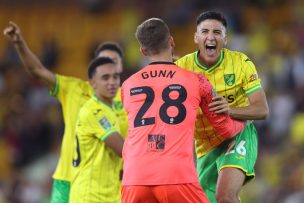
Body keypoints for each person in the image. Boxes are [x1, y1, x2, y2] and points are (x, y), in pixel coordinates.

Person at [121, 17, 245, 203]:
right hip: (176, 177)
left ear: (143, 51)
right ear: (171, 41)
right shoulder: (197, 81)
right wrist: (242, 123)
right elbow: (225, 129)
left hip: (134, 179)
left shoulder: (127, 85)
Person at [3, 21, 128, 203]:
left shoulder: (128, 98)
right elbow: (37, 70)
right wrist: (20, 44)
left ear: (120, 68)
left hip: (108, 182)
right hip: (68, 179)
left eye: (114, 63)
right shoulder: (73, 89)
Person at [175, 11, 269, 203]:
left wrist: (230, 110)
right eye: (205, 31)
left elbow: (262, 110)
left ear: (225, 39)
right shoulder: (181, 67)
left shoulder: (241, 63)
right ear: (196, 37)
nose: (211, 37)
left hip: (238, 134)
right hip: (205, 146)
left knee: (225, 196)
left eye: (217, 32)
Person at [70, 57, 124, 202]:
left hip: (107, 195)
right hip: (90, 196)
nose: (112, 82)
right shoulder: (95, 111)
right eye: (105, 78)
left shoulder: (108, 110)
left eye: (115, 77)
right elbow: (123, 150)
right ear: (92, 83)